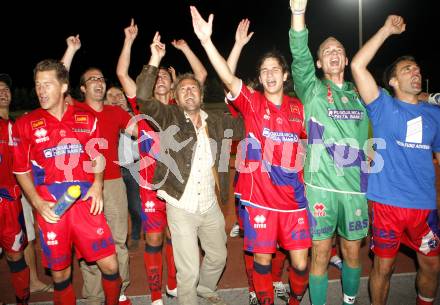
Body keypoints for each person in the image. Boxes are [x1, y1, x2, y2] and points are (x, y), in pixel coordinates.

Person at [191, 6, 311, 305]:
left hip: (294, 200)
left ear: (285, 75)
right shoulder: (253, 102)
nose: (270, 75)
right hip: (260, 200)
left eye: (275, 70)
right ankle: (263, 297)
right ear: (259, 77)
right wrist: (207, 42)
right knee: (262, 261)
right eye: (264, 70)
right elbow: (226, 77)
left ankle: (294, 300)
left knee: (300, 264)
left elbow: (312, 145)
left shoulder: (300, 109)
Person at [136, 30, 243, 305]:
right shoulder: (168, 116)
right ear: (176, 96)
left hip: (209, 205)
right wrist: (154, 58)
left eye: (193, 87)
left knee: (219, 256)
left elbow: (246, 121)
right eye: (182, 89)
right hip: (180, 205)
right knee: (188, 271)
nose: (188, 91)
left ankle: (205, 289)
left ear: (201, 93)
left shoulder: (217, 121)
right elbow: (143, 99)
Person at [12, 59, 121, 305]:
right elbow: (20, 170)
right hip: (51, 207)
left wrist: (97, 185)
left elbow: (97, 156)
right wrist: (37, 203)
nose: (41, 90)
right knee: (61, 274)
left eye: (47, 84)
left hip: (85, 202)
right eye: (38, 85)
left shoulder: (86, 118)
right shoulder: (25, 124)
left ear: (63, 87)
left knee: (110, 264)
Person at [117, 18, 211, 305]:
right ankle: (156, 294)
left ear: (173, 85)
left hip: (178, 187)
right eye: (155, 77)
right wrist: (131, 42)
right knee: (155, 239)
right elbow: (122, 74)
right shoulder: (143, 106)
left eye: (165, 78)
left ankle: (174, 285)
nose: (159, 80)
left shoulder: (180, 107)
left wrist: (185, 49)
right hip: (150, 185)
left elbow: (201, 74)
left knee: (177, 238)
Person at [351, 15, 440, 305]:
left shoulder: (434, 114)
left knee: (432, 265)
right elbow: (357, 66)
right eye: (407, 69)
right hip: (387, 203)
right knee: (384, 268)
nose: (415, 72)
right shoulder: (382, 106)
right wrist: (387, 30)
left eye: (417, 69)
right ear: (392, 80)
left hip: (423, 206)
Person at [289, 1, 370, 304]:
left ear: (347, 59)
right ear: (319, 63)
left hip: (355, 189)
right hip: (320, 188)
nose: (333, 54)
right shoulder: (310, 88)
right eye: (326, 52)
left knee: (351, 253)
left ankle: (350, 300)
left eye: (338, 50)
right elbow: (298, 54)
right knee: (320, 254)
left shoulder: (362, 93)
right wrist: (298, 14)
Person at [61, 37, 136, 305]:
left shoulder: (115, 113)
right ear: (82, 88)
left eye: (102, 78)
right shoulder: (73, 110)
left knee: (118, 240)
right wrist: (71, 50)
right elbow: (58, 83)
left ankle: (121, 289)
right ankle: (93, 296)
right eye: (93, 79)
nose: (99, 82)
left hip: (113, 184)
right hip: (82, 185)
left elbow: (142, 128)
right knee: (89, 244)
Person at [0, 73, 30, 305]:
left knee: (16, 254)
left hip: (12, 201)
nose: (3, 92)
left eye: (6, 88)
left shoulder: (15, 126)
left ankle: (22, 300)